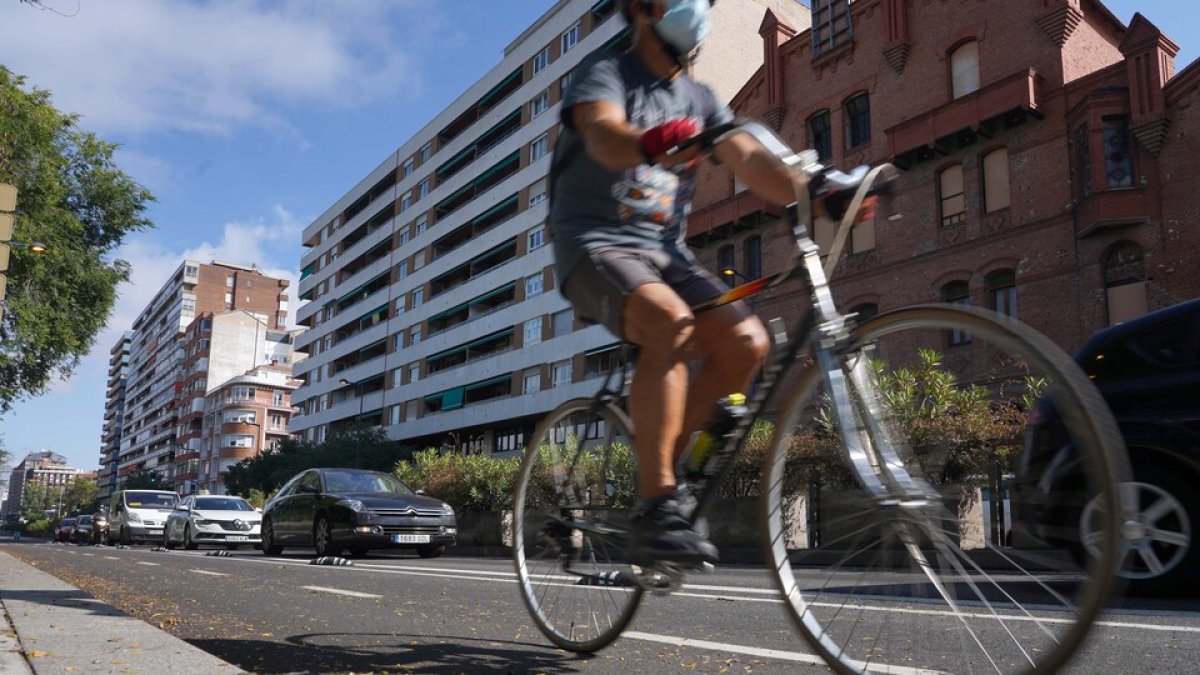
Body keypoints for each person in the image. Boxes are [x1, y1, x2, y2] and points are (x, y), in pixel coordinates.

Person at [548, 0, 814, 565]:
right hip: (594, 243)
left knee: (748, 344)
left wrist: (816, 189)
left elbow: (747, 155)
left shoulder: (702, 99)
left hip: (666, 254)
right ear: (642, 9)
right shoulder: (606, 74)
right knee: (669, 321)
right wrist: (647, 142)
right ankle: (658, 501)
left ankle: (666, 464)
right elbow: (602, 132)